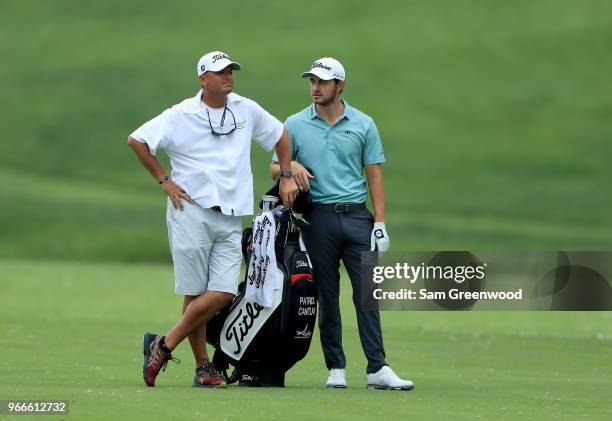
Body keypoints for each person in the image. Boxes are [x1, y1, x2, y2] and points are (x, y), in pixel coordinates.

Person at [128, 51, 298, 387]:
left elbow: (280, 135)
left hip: (232, 214)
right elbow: (138, 141)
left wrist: (287, 173)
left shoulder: (245, 108)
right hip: (190, 210)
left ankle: (162, 345)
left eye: (231, 71)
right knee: (194, 292)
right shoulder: (181, 113)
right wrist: (165, 181)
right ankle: (203, 368)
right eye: (220, 72)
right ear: (203, 79)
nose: (228, 76)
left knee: (221, 292)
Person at [270, 57, 413, 390]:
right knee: (327, 295)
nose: (315, 88)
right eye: (312, 81)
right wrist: (292, 165)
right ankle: (336, 367)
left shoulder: (363, 124)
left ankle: (377, 367)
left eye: (322, 82)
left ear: (340, 85)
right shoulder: (295, 122)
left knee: (367, 294)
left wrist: (380, 223)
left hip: (357, 217)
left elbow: (374, 177)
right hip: (319, 218)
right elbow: (275, 168)